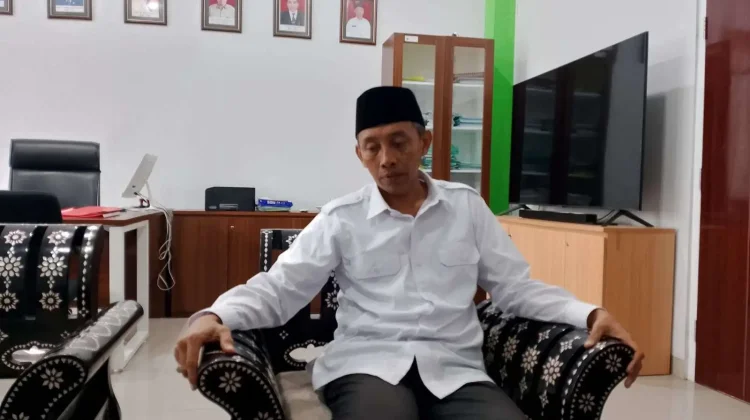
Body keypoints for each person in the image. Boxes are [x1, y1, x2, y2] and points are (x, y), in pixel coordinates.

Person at [175, 86, 645, 420]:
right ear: (359, 154)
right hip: (366, 364)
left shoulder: (467, 207)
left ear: (425, 141)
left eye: (399, 142)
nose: (387, 159)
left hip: (455, 368)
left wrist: (589, 313)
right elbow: (280, 289)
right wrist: (211, 315)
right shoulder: (341, 217)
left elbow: (515, 288)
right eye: (372, 147)